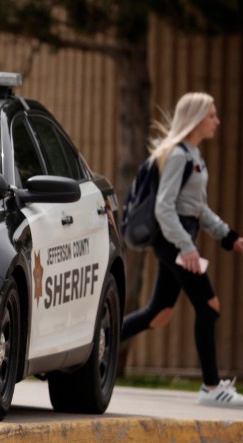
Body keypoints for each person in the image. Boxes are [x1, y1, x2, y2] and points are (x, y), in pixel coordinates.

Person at [121, 92, 243, 407]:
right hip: (173, 241)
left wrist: (228, 236)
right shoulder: (177, 156)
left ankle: (87, 347)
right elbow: (164, 209)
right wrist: (187, 248)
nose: (218, 121)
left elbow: (197, 208)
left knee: (159, 313)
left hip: (179, 240)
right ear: (197, 118)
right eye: (212, 115)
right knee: (209, 305)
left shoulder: (194, 155)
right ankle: (212, 387)